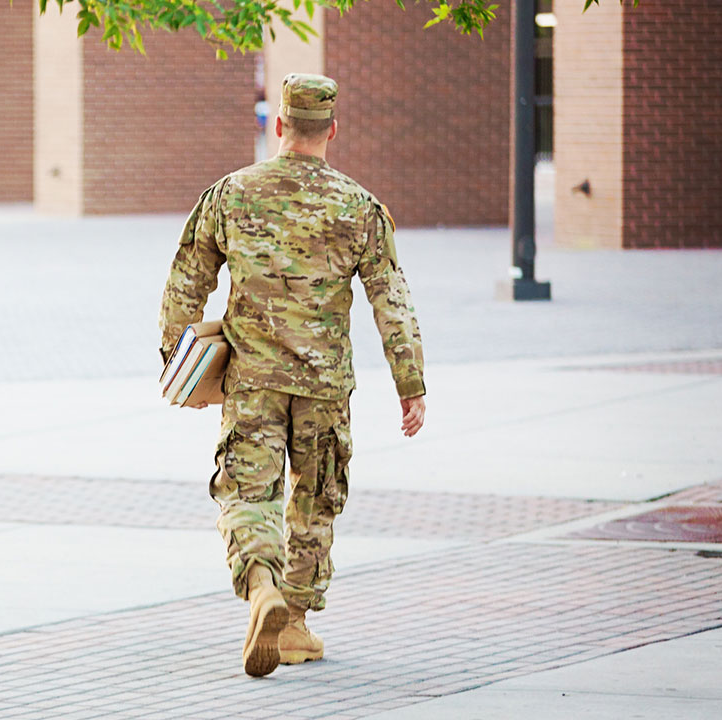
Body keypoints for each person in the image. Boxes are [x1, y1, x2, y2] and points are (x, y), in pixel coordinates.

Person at [158, 73, 427, 678]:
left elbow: (185, 286)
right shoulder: (359, 206)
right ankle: (296, 624)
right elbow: (392, 302)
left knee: (247, 493)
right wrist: (410, 384)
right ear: (332, 130)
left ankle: (262, 591)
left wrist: (179, 369)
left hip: (251, 380)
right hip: (325, 387)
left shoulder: (230, 194)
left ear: (279, 126)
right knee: (314, 500)